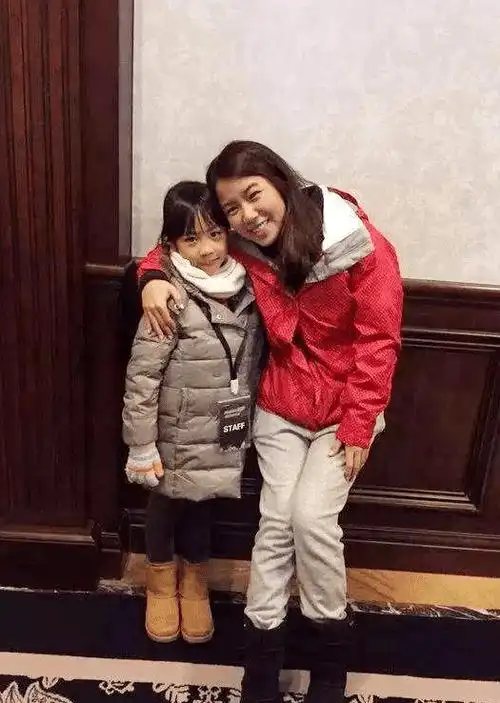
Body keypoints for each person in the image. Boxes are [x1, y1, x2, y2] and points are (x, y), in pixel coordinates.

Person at [136, 142, 403, 702]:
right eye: (232, 208)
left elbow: (379, 341)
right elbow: (180, 244)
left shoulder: (360, 246)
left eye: (253, 196)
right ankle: (261, 664)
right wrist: (150, 277)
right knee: (276, 523)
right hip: (280, 405)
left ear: (281, 181)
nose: (247, 217)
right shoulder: (244, 244)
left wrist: (358, 424)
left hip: (344, 412)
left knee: (311, 520)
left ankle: (330, 659)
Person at [123, 180, 261, 645]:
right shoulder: (166, 294)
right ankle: (161, 582)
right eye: (191, 239)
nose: (207, 250)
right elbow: (142, 377)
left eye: (216, 234)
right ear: (171, 243)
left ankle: (195, 581)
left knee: (205, 505)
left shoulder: (247, 284)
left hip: (223, 426)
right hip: (172, 432)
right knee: (165, 505)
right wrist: (141, 445)